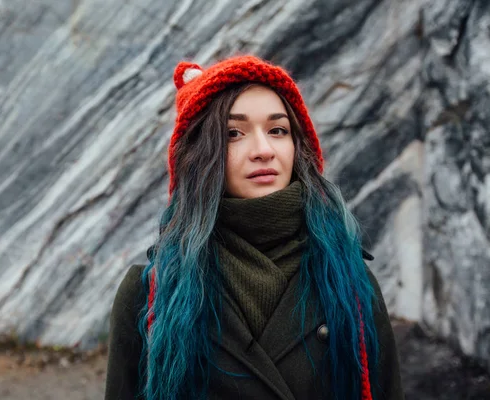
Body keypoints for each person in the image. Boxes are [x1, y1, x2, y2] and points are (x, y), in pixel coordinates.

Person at [105, 55, 404, 400]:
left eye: (278, 130)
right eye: (234, 133)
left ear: (297, 148)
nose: (263, 150)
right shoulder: (150, 297)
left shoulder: (350, 285)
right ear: (199, 154)